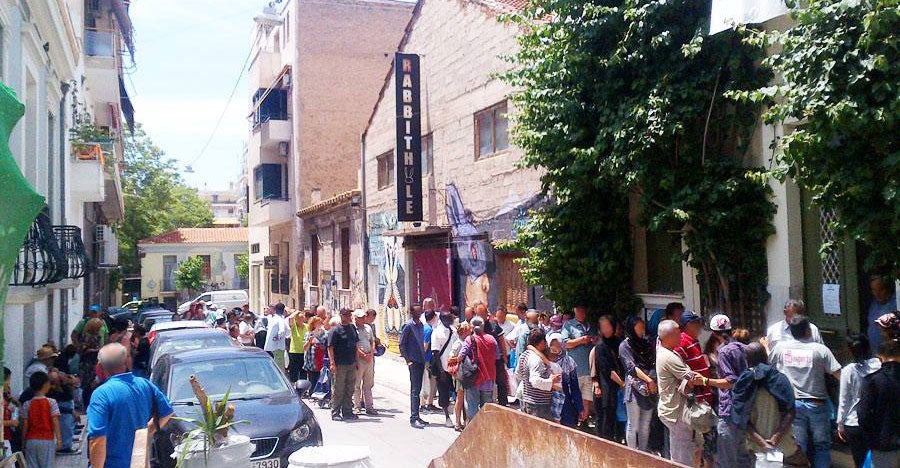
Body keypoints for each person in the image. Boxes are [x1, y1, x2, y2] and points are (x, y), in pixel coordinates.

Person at [769, 316, 841, 468]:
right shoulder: (821, 350)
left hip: (793, 406)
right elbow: (839, 375)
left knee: (798, 446)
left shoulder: (781, 348)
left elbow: (766, 365)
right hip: (818, 404)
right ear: (808, 331)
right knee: (822, 445)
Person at [87, 343, 173, 468]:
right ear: (126, 362)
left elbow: (98, 440)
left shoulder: (101, 394)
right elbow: (166, 412)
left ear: (99, 367)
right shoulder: (145, 385)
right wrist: (146, 431)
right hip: (139, 463)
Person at [731, 342, 807, 467]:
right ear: (766, 357)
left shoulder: (743, 384)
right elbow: (790, 412)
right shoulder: (779, 379)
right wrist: (774, 439)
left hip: (755, 447)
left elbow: (742, 418)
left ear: (747, 360)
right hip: (784, 445)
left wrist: (762, 443)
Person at [708, 314, 751, 468]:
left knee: (726, 458)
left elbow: (730, 381)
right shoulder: (743, 348)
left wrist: (705, 381)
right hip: (744, 407)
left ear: (713, 333)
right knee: (742, 456)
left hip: (729, 409)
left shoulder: (724, 352)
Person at [837, 333, 881, 467]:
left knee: (860, 461)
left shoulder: (848, 371)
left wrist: (840, 424)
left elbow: (844, 400)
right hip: (874, 421)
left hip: (853, 423)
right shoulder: (878, 366)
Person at [618, 315, 658, 452]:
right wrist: (649, 380)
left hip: (650, 388)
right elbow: (631, 367)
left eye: (643, 327)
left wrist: (651, 379)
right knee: (633, 424)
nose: (642, 330)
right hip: (635, 388)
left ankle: (643, 451)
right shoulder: (625, 345)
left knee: (645, 424)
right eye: (638, 327)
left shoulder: (647, 343)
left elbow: (654, 361)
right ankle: (632, 453)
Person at [857, 339, 899, 468]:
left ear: (880, 358)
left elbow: (863, 415)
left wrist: (872, 438)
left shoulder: (872, 381)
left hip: (883, 443)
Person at [561, 304, 597, 430]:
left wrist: (594, 340)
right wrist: (581, 340)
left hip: (589, 369)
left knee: (587, 396)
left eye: (583, 310)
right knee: (574, 396)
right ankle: (574, 420)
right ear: (575, 311)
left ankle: (584, 421)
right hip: (575, 369)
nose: (582, 312)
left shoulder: (590, 326)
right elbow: (565, 344)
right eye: (579, 310)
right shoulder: (568, 325)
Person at [458, 316, 499, 421]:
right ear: (483, 326)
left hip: (474, 379)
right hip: (489, 379)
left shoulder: (469, 340)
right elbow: (497, 356)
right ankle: (485, 431)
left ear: (471, 327)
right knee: (487, 409)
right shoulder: (492, 339)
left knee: (472, 407)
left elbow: (460, 356)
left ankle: (474, 431)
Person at [590, 315, 624, 440]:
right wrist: (623, 384)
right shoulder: (600, 346)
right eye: (603, 327)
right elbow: (607, 370)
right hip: (607, 387)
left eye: (608, 326)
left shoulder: (620, 342)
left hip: (620, 386)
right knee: (606, 417)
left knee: (621, 418)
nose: (606, 330)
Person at [516, 328, 559, 420]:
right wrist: (551, 381)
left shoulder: (524, 355)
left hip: (527, 400)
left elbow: (518, 374)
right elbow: (535, 381)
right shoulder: (536, 360)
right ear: (541, 342)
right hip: (538, 404)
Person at [673, 311, 714, 405]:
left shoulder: (694, 341)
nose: (700, 325)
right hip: (696, 401)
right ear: (688, 325)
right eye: (697, 323)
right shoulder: (681, 342)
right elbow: (680, 372)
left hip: (704, 396)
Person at [22, 371, 61, 467]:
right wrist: (59, 440)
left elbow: (25, 425)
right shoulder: (51, 402)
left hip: (31, 440)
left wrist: (23, 442)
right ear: (46, 385)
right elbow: (55, 422)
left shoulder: (27, 404)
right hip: (47, 440)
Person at [326, 308, 359, 421]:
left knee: (350, 388)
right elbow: (330, 348)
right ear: (341, 316)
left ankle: (347, 411)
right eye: (347, 314)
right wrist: (332, 363)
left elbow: (355, 345)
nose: (349, 316)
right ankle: (335, 412)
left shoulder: (352, 328)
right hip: (339, 364)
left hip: (351, 362)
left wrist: (357, 361)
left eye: (350, 314)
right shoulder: (335, 330)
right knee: (338, 389)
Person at [399, 304, 428, 428]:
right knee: (415, 390)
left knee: (419, 389)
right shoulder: (408, 326)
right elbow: (402, 344)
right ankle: (414, 418)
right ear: (412, 312)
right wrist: (408, 360)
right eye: (417, 311)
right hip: (414, 361)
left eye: (420, 311)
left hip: (421, 360)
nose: (420, 312)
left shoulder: (420, 325)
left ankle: (418, 416)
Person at [546, 332, 584, 427]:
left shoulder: (569, 362)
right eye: (552, 345)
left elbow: (574, 386)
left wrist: (580, 407)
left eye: (558, 345)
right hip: (547, 400)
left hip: (565, 402)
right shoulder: (544, 360)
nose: (555, 348)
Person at [478, 304, 509, 407]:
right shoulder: (476, 327)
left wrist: (504, 356)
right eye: (479, 314)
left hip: (497, 359)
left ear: (487, 314)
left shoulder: (493, 325)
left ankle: (503, 403)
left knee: (501, 381)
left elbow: (501, 341)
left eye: (482, 314)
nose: (481, 316)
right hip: (483, 361)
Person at [430, 311, 457, 426]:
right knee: (443, 392)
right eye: (448, 318)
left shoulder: (454, 331)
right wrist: (441, 370)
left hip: (454, 367)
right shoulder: (436, 333)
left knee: (458, 391)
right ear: (442, 319)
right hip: (443, 368)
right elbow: (435, 353)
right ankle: (447, 417)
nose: (451, 319)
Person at [447, 321, 473, 431]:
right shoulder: (459, 343)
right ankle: (457, 422)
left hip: (465, 373)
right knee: (460, 399)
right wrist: (459, 358)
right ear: (463, 332)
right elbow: (450, 358)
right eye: (468, 330)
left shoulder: (466, 341)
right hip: (460, 374)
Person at [353, 309, 377, 415]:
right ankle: (357, 406)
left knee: (368, 384)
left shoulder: (368, 328)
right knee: (357, 384)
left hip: (369, 357)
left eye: (364, 317)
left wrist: (371, 353)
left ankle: (369, 407)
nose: (363, 319)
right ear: (356, 319)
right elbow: (354, 345)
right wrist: (362, 355)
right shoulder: (353, 329)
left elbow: (372, 341)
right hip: (359, 358)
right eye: (360, 317)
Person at [866, 276, 897, 356]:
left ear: (887, 288)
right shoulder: (874, 304)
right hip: (875, 355)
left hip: (891, 356)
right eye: (874, 290)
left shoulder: (896, 304)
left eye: (881, 290)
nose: (877, 294)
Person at [420, 308, 439, 412]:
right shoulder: (429, 330)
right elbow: (425, 346)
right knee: (429, 381)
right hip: (427, 359)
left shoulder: (423, 327)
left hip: (423, 359)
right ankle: (427, 403)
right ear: (434, 317)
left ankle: (424, 403)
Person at [303, 316, 326, 397]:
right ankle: (312, 394)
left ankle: (320, 396)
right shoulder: (308, 334)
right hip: (311, 361)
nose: (320, 325)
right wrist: (309, 341)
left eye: (321, 323)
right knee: (312, 379)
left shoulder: (324, 334)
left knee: (321, 379)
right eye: (318, 323)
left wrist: (318, 342)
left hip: (321, 361)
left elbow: (325, 347)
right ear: (313, 324)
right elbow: (305, 348)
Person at [287, 309, 308, 384]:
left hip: (304, 352)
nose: (301, 319)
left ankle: (303, 387)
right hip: (294, 352)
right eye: (299, 318)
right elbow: (290, 318)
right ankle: (293, 385)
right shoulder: (294, 326)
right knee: (294, 371)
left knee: (303, 371)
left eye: (302, 317)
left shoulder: (307, 327)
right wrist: (296, 312)